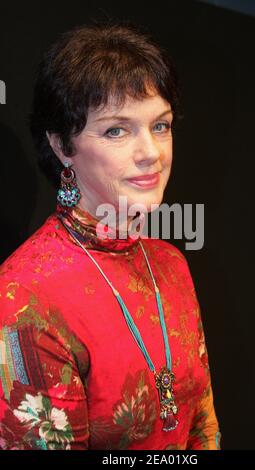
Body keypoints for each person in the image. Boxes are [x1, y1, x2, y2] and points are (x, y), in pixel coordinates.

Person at [0, 20, 221, 450]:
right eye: (117, 130)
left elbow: (204, 427)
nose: (151, 154)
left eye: (161, 125)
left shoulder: (171, 264)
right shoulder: (23, 297)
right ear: (63, 145)